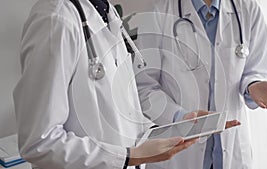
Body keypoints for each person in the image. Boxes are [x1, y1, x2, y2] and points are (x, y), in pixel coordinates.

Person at [12, 0, 202, 168]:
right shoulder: (56, 19)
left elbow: (123, 112)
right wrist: (128, 157)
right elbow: (39, 142)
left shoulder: (106, 13)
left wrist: (170, 127)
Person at [134, 0, 267, 169]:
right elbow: (144, 88)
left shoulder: (247, 9)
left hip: (231, 151)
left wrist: (253, 85)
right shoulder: (159, 13)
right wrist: (180, 118)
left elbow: (254, 70)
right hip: (179, 153)